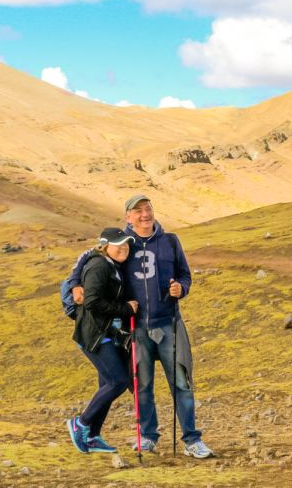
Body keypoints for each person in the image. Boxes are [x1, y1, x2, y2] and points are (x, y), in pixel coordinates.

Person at [122, 194, 214, 458]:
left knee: (182, 382)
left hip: (169, 324)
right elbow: (97, 263)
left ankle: (192, 440)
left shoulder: (170, 241)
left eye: (148, 208)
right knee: (142, 386)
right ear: (128, 217)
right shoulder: (122, 244)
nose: (144, 214)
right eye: (138, 211)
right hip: (137, 328)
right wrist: (76, 285)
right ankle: (147, 437)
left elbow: (185, 275)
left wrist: (180, 288)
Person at [66, 227, 140, 454]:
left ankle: (93, 436)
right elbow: (92, 301)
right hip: (95, 334)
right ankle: (81, 424)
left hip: (108, 333)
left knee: (106, 385)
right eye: (118, 244)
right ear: (106, 246)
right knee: (117, 382)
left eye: (126, 244)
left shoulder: (113, 265)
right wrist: (125, 309)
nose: (123, 248)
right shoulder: (99, 265)